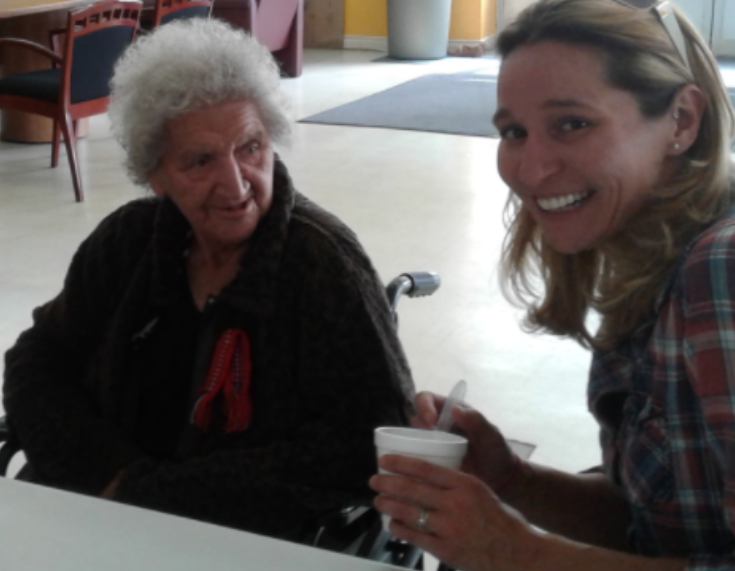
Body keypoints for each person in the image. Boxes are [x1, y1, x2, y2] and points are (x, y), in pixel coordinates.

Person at [3, 18, 414, 541]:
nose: (237, 183)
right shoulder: (128, 242)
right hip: (98, 517)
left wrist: (155, 494)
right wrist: (109, 475)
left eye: (251, 147)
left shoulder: (321, 264)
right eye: (200, 160)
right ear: (156, 173)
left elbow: (369, 441)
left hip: (246, 541)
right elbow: (36, 360)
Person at [369, 1, 735, 570]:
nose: (532, 169)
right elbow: (655, 525)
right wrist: (512, 479)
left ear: (681, 121)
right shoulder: (647, 270)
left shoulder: (721, 271)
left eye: (572, 124)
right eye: (514, 131)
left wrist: (521, 554)